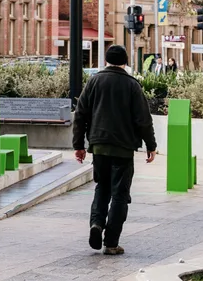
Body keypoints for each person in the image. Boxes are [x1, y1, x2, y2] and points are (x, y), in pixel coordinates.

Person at [72, 44, 157, 255]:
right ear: (125, 62)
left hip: (99, 146)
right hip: (123, 148)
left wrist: (79, 145)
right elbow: (143, 120)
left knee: (102, 187)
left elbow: (80, 114)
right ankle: (111, 243)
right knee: (120, 195)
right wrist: (151, 145)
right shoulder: (132, 85)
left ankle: (96, 223)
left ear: (106, 61)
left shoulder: (94, 81)